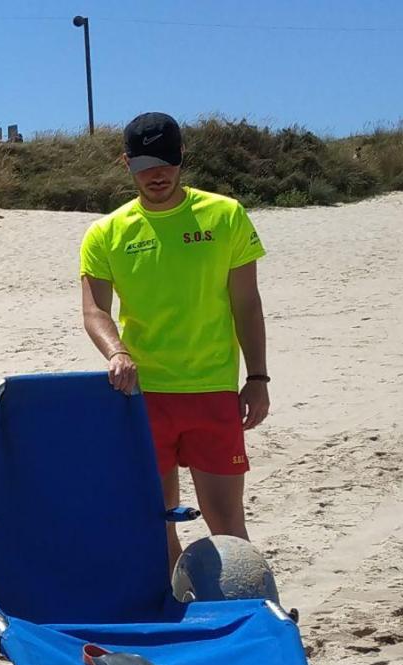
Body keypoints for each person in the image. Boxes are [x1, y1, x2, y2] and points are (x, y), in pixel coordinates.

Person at [79, 112, 270, 570]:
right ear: (125, 163)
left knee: (226, 525)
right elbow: (94, 310)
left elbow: (247, 303)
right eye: (144, 164)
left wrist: (258, 377)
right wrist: (116, 351)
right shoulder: (107, 233)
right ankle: (169, 611)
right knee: (156, 522)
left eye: (165, 162)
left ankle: (241, 616)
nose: (156, 174)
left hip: (212, 391)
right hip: (143, 396)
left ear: (182, 156)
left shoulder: (225, 216)